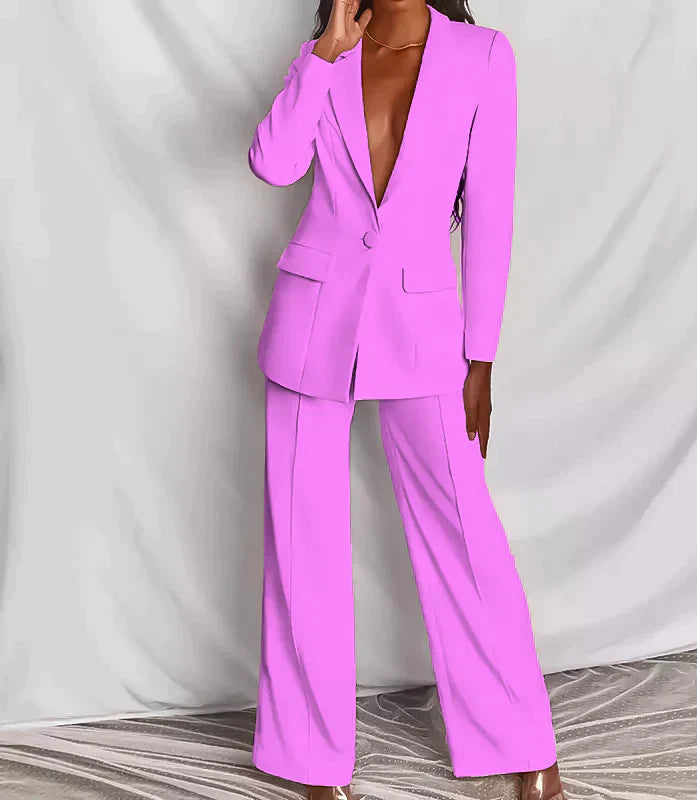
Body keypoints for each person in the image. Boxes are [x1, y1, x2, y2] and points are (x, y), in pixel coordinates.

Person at [246, 1, 565, 798]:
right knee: (303, 546)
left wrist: (480, 359)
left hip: (424, 330)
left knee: (465, 533)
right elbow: (274, 164)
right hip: (312, 322)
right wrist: (323, 56)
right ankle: (310, 759)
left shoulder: (482, 56)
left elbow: (489, 213)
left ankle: (522, 744)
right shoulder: (327, 53)